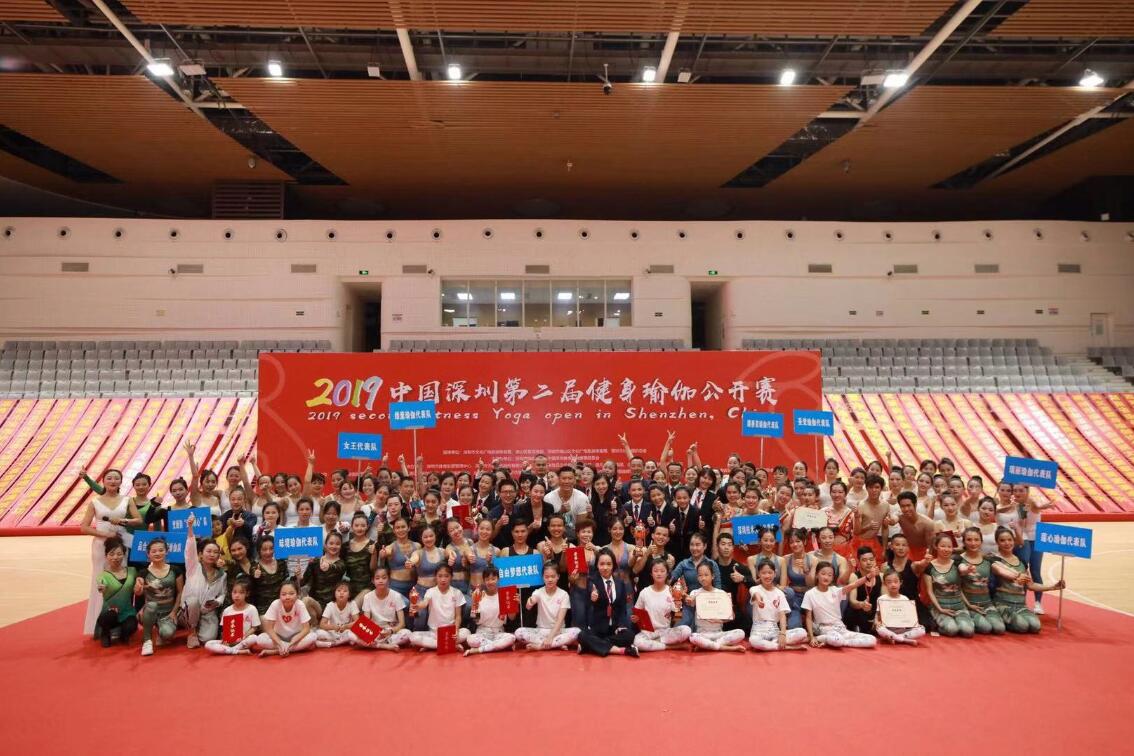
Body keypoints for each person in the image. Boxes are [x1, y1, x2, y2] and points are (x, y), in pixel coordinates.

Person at [79, 466, 140, 636]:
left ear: (121, 482)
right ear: (103, 481)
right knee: (100, 582)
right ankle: (99, 625)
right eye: (109, 478)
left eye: (116, 478)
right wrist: (106, 534)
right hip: (101, 546)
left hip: (121, 545)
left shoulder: (127, 500)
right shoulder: (95, 502)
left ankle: (120, 623)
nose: (113, 481)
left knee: (121, 581)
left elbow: (138, 520)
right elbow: (84, 527)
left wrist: (123, 521)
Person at [990, 527, 1065, 633]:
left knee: (1035, 626)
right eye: (1002, 540)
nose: (1007, 543)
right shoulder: (994, 560)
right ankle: (1001, 617)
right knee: (1022, 626)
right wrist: (1017, 576)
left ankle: (1011, 620)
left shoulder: (1022, 562)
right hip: (1003, 604)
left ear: (1014, 541)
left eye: (1010, 540)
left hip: (1021, 605)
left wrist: (1052, 587)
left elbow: (1031, 585)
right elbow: (1003, 572)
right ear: (997, 542)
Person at [578, 549, 640, 658]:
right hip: (597, 628)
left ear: (613, 565)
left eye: (608, 564)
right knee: (582, 635)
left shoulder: (620, 583)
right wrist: (592, 599)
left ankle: (592, 645)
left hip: (614, 628)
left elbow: (622, 608)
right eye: (602, 564)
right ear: (597, 565)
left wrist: (621, 625)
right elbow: (587, 604)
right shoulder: (591, 581)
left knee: (630, 636)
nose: (605, 567)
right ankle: (622, 651)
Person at [802, 561, 877, 649]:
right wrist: (811, 637)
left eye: (830, 575)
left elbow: (854, 584)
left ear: (832, 578)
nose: (826, 577)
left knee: (872, 640)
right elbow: (808, 618)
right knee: (836, 640)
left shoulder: (835, 591)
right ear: (817, 575)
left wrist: (869, 576)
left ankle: (828, 640)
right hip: (824, 629)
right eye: (823, 574)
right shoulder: (810, 594)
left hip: (840, 628)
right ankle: (821, 639)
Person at [180, 515, 225, 650]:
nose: (212, 554)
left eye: (215, 552)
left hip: (207, 612)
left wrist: (217, 602)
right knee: (193, 601)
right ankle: (191, 632)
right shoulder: (193, 566)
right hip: (189, 609)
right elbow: (190, 548)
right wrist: (190, 528)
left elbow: (223, 594)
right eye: (208, 551)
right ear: (200, 554)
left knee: (208, 639)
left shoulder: (222, 574)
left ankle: (199, 626)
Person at [133, 537, 184, 657]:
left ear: (167, 551)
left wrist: (174, 612)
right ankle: (147, 640)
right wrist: (138, 588)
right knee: (151, 605)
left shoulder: (175, 570)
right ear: (148, 554)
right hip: (150, 611)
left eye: (161, 550)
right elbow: (138, 592)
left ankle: (161, 631)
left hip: (168, 613)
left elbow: (180, 592)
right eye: (154, 551)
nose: (157, 553)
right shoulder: (143, 572)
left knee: (167, 634)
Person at [515, 563, 580, 650]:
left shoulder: (564, 594)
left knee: (577, 632)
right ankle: (556, 644)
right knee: (519, 632)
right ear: (543, 577)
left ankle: (540, 646)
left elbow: (560, 620)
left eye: (553, 576)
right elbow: (528, 607)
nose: (550, 579)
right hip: (541, 631)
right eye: (547, 577)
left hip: (558, 631)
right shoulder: (538, 592)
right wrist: (530, 601)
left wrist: (550, 637)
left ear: (558, 577)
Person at [632, 559, 691, 651]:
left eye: (662, 571)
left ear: (667, 574)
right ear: (651, 574)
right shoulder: (644, 592)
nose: (659, 574)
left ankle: (654, 644)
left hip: (665, 631)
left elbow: (677, 617)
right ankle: (670, 646)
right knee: (637, 642)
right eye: (656, 571)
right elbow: (637, 613)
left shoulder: (672, 591)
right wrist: (635, 618)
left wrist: (679, 603)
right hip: (648, 632)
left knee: (686, 630)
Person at [748, 561, 808, 651]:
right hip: (758, 630)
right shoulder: (754, 589)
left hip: (775, 630)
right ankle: (785, 647)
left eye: (770, 573)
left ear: (775, 574)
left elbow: (782, 615)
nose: (767, 576)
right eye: (764, 573)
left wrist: (782, 634)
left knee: (802, 632)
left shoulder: (779, 593)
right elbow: (756, 594)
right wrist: (759, 599)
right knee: (753, 641)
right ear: (759, 574)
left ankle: (772, 645)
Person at [923, 533, 975, 638]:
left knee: (968, 632)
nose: (946, 549)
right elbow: (929, 592)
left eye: (949, 547)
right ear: (936, 546)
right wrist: (940, 609)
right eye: (943, 546)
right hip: (940, 605)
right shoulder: (929, 567)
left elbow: (963, 570)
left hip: (958, 605)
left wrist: (968, 569)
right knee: (952, 630)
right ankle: (936, 624)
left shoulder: (957, 562)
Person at [409, 563, 471, 650]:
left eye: (446, 576)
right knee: (413, 637)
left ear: (451, 577)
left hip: (449, 632)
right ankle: (450, 645)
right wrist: (417, 606)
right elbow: (424, 603)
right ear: (436, 577)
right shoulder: (430, 591)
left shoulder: (457, 593)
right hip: (434, 633)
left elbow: (458, 616)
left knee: (466, 632)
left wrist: (456, 630)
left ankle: (433, 646)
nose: (443, 579)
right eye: (440, 576)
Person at [687, 562, 745, 652]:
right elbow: (690, 602)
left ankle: (708, 645)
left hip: (719, 633)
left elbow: (732, 616)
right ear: (697, 577)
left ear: (713, 576)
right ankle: (726, 648)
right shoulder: (695, 593)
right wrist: (689, 600)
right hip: (702, 634)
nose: (703, 578)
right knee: (693, 637)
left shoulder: (722, 594)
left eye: (706, 575)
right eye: (700, 575)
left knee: (740, 633)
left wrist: (721, 620)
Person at [957, 527, 1005, 635]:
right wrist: (968, 605)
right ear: (963, 541)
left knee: (999, 629)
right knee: (985, 628)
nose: (973, 543)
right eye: (969, 540)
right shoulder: (958, 559)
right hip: (968, 604)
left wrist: (1017, 575)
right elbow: (959, 579)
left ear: (981, 541)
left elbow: (1002, 570)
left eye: (976, 540)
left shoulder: (988, 559)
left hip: (986, 603)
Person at [671, 532, 721, 628]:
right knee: (681, 626)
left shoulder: (712, 564)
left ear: (705, 546)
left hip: (708, 603)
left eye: (698, 545)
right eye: (692, 545)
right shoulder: (683, 564)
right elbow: (671, 580)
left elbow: (718, 586)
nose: (694, 548)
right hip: (689, 603)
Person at [94, 537, 137, 647]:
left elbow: (138, 586)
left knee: (131, 627)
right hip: (109, 613)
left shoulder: (132, 571)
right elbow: (101, 585)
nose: (115, 557)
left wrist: (140, 587)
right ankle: (105, 633)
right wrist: (101, 588)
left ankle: (122, 633)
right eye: (111, 554)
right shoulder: (102, 576)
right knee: (109, 616)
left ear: (124, 555)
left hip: (127, 612)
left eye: (119, 554)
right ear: (106, 556)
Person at [464, 566, 517, 656]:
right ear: (484, 581)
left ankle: (479, 650)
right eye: (487, 579)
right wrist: (475, 603)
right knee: (470, 639)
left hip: (499, 633)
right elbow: (476, 620)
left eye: (493, 579)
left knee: (511, 637)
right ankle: (499, 646)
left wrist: (514, 605)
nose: (490, 582)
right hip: (482, 633)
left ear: (498, 579)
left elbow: (512, 618)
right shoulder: (479, 595)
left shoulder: (504, 595)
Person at [255, 581, 317, 657]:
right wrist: (280, 643)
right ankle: (287, 649)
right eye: (284, 594)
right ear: (279, 595)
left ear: (297, 594)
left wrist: (292, 643)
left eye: (291, 593)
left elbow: (306, 629)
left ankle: (277, 651)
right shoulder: (275, 604)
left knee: (313, 637)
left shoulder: (300, 604)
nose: (287, 597)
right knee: (260, 639)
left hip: (296, 636)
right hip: (279, 637)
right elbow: (269, 629)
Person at [356, 568, 411, 650]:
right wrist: (376, 632)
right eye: (377, 578)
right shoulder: (368, 597)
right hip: (375, 631)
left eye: (384, 578)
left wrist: (390, 631)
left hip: (391, 631)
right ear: (373, 581)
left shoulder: (396, 596)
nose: (380, 581)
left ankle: (377, 644)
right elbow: (366, 621)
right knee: (356, 633)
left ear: (389, 580)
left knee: (407, 634)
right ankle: (384, 646)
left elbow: (402, 623)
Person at [301, 531, 346, 627]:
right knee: (305, 601)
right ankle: (315, 625)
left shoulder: (341, 563)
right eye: (331, 543)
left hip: (332, 606)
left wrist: (328, 566)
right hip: (317, 604)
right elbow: (302, 581)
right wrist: (300, 573)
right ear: (325, 545)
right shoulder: (315, 561)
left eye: (337, 544)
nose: (334, 546)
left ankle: (320, 625)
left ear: (341, 546)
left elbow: (336, 567)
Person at [205, 579, 260, 655]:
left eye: (241, 593)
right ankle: (235, 651)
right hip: (230, 641)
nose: (237, 595)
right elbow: (224, 628)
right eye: (234, 592)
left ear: (247, 594)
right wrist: (225, 640)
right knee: (208, 644)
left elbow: (254, 628)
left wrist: (244, 636)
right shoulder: (227, 610)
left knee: (254, 638)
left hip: (244, 640)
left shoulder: (252, 609)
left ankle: (231, 650)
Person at [874, 569, 926, 645]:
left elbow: (910, 616)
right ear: (885, 584)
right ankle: (905, 640)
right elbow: (877, 615)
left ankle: (896, 638)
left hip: (903, 629)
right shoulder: (881, 599)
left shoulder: (905, 599)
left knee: (921, 629)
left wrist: (915, 623)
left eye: (896, 582)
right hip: (888, 629)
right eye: (889, 582)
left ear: (900, 582)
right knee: (879, 629)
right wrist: (876, 622)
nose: (893, 584)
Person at [842, 545, 881, 635]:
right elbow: (852, 601)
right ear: (858, 562)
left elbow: (884, 601)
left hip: (874, 615)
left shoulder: (881, 576)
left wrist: (877, 618)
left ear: (875, 560)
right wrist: (861, 604)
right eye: (864, 560)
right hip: (858, 614)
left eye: (871, 559)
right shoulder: (854, 576)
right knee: (854, 612)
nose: (868, 562)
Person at [780, 529, 814, 630]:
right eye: (791, 542)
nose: (795, 544)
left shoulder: (813, 559)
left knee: (817, 628)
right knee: (794, 627)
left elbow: (812, 584)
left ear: (804, 541)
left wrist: (806, 570)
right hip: (794, 598)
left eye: (798, 541)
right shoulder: (785, 559)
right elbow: (783, 584)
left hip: (810, 597)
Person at [251, 537, 288, 618]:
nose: (268, 552)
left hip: (282, 604)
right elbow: (252, 579)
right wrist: (255, 576)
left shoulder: (281, 562)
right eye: (264, 549)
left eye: (271, 548)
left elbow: (288, 582)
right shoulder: (255, 566)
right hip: (264, 608)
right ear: (259, 551)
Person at [316, 581, 360, 647]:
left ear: (349, 595)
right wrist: (333, 627)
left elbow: (358, 622)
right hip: (333, 633)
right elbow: (322, 624)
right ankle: (341, 641)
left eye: (345, 591)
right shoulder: (330, 605)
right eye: (339, 591)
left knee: (353, 634)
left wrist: (346, 626)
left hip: (346, 632)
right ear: (334, 593)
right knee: (318, 633)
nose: (341, 593)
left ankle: (334, 643)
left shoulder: (352, 603)